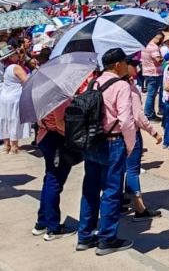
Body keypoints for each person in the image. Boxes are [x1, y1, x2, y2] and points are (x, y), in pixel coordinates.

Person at [76, 48, 137, 255]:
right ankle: (107, 239)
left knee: (90, 189)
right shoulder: (121, 85)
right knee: (111, 192)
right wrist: (130, 146)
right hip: (113, 142)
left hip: (93, 141)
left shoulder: (94, 82)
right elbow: (126, 120)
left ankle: (85, 236)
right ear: (118, 64)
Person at [32, 91, 75, 240]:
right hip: (56, 138)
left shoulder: (38, 93)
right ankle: (53, 227)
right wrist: (73, 136)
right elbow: (60, 123)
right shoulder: (57, 95)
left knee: (50, 178)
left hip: (44, 135)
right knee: (54, 181)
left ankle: (42, 222)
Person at [124, 61, 163, 221]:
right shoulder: (129, 89)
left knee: (122, 169)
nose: (137, 67)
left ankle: (123, 199)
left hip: (115, 133)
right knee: (132, 170)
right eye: (134, 64)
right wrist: (153, 132)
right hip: (132, 133)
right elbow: (139, 116)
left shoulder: (104, 84)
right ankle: (140, 208)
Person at [0, 45, 30, 153]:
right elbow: (27, 81)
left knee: (5, 120)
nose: (18, 55)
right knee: (14, 120)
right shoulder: (16, 67)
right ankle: (14, 146)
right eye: (16, 53)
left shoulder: (5, 67)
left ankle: (6, 145)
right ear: (12, 56)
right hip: (14, 96)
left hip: (4, 96)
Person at [140, 34, 164, 121]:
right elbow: (157, 60)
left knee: (151, 94)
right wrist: (163, 58)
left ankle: (150, 112)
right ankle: (149, 113)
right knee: (151, 94)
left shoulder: (145, 45)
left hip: (147, 71)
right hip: (154, 72)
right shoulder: (154, 47)